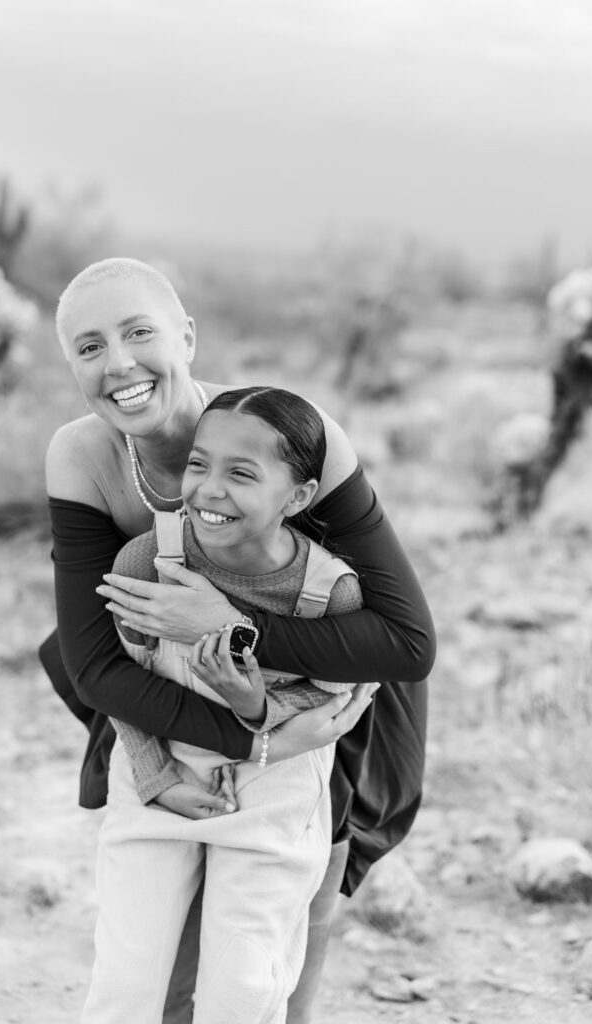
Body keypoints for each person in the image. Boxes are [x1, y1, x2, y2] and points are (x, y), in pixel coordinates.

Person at [39, 257, 435, 1023]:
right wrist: (230, 744)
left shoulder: (291, 434)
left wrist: (233, 634)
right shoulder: (83, 455)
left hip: (331, 670)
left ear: (186, 335)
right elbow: (92, 656)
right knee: (163, 919)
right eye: (89, 348)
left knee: (283, 910)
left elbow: (404, 640)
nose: (118, 363)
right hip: (164, 674)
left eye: (138, 332)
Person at [85, 386, 366, 1022]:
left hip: (277, 782)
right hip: (157, 771)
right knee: (125, 987)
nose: (210, 489)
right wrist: (156, 777)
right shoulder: (148, 559)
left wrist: (255, 702)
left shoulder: (329, 593)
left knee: (243, 988)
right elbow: (123, 683)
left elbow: (333, 699)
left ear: (297, 496)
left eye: (242, 473)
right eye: (198, 465)